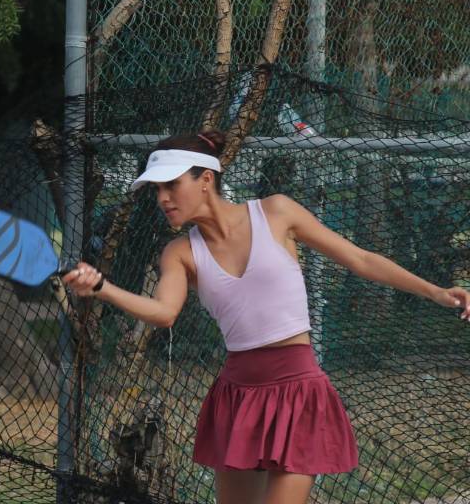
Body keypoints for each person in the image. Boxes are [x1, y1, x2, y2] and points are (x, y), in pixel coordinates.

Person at [62, 130, 470, 504]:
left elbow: (361, 259)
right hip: (237, 398)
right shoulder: (180, 252)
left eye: (172, 184)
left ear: (205, 179)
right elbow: (164, 313)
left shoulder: (276, 212)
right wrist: (102, 287)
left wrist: (435, 292)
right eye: (157, 189)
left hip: (299, 391)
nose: (163, 198)